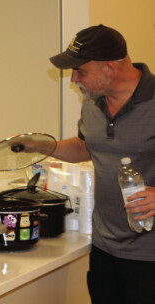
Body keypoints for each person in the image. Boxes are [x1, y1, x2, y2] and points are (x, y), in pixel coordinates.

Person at [35, 24, 155, 303]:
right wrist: (41, 146)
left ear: (109, 68)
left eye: (80, 71)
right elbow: (86, 147)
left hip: (150, 257)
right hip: (104, 251)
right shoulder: (91, 104)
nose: (73, 79)